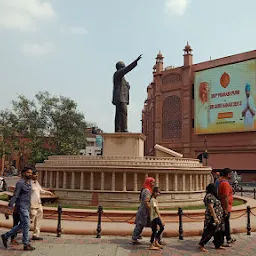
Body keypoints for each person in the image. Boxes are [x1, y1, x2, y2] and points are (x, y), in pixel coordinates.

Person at [1, 166, 35, 251]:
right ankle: (26, 244)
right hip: (21, 206)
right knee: (26, 224)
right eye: (28, 173)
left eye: (31, 173)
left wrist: (30, 208)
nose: (30, 174)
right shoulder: (20, 183)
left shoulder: (29, 182)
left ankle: (6, 236)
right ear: (23, 173)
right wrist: (10, 207)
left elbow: (28, 196)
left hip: (26, 206)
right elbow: (15, 195)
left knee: (23, 224)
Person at [112, 54, 142, 132]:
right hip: (120, 97)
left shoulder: (121, 77)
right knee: (123, 113)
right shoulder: (118, 73)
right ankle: (124, 129)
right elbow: (128, 69)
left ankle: (118, 129)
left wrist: (127, 85)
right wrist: (135, 61)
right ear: (121, 67)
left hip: (120, 97)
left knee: (118, 114)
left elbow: (125, 86)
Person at [199, 183, 224, 252]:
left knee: (218, 231)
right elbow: (211, 207)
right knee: (209, 231)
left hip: (218, 216)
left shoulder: (214, 196)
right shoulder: (209, 196)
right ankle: (202, 244)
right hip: (212, 217)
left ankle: (218, 244)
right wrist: (215, 217)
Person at [131, 177, 155, 244]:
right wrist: (152, 209)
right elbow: (146, 201)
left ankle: (135, 237)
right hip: (145, 211)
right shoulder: (147, 191)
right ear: (149, 183)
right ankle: (158, 239)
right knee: (154, 225)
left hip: (143, 210)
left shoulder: (145, 189)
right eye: (152, 182)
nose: (153, 184)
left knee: (140, 225)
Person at [30, 169, 53, 240]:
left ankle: (36, 234)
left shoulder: (36, 182)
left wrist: (47, 192)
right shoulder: (28, 183)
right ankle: (16, 232)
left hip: (38, 203)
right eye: (35, 174)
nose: (36, 176)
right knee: (30, 220)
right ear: (31, 175)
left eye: (37, 174)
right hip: (32, 204)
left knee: (38, 219)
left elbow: (40, 190)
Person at [217, 168, 236, 246]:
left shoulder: (222, 182)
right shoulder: (225, 183)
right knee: (225, 224)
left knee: (225, 224)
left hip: (225, 206)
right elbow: (225, 197)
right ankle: (223, 241)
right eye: (231, 174)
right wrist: (225, 209)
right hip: (225, 207)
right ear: (228, 174)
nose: (232, 175)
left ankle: (228, 238)